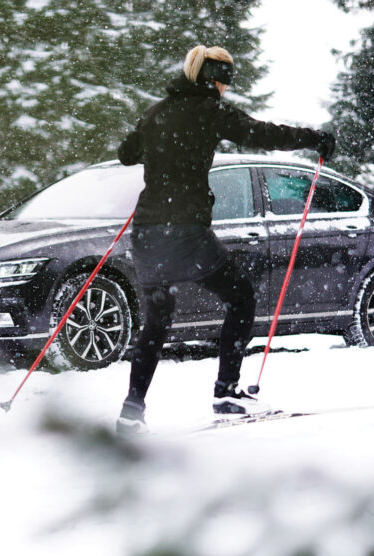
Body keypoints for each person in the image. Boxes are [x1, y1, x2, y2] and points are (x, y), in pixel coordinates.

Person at [115, 45, 336, 435]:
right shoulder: (210, 111)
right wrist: (313, 138)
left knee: (157, 321)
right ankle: (226, 392)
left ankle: (131, 412)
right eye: (224, 79)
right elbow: (262, 134)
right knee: (240, 297)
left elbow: (126, 154)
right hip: (185, 230)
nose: (226, 88)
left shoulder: (157, 112)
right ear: (210, 78)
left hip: (148, 232)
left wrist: (158, 140)